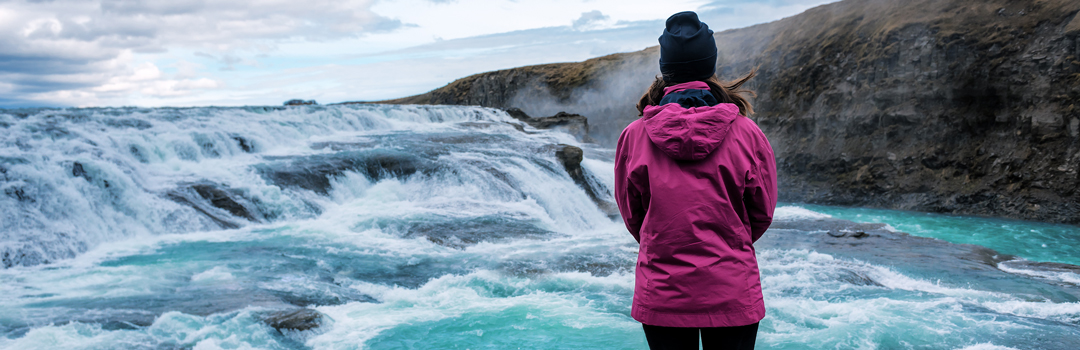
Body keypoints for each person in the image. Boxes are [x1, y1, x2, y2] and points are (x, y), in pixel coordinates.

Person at [614, 11, 777, 350]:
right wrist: (728, 243)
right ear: (710, 66)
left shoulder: (633, 136)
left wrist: (665, 240)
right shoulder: (746, 132)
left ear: (665, 68)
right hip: (732, 287)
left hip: (662, 291)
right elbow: (761, 212)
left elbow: (633, 216)